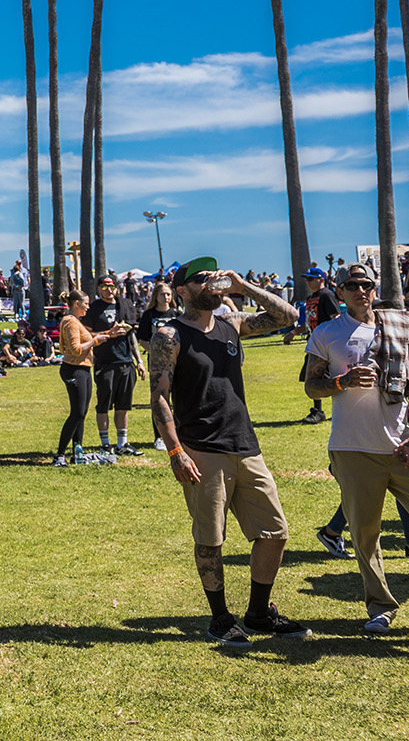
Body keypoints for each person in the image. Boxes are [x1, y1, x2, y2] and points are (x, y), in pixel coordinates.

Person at [147, 257, 308, 648]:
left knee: (275, 532)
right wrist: (175, 452)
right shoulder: (170, 335)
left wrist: (243, 286)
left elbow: (287, 315)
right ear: (183, 291)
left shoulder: (231, 324)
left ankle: (257, 613)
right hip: (202, 449)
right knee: (211, 538)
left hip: (245, 444)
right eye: (201, 278)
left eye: (213, 276)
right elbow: (159, 397)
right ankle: (220, 618)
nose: (211, 282)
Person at [303, 263, 409, 634]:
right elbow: (312, 386)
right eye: (352, 285)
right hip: (352, 448)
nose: (361, 290)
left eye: (367, 284)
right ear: (339, 292)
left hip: (404, 444)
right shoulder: (328, 333)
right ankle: (380, 607)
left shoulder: (401, 327)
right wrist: (342, 381)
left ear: (375, 289)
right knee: (365, 533)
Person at [86, 275, 144, 454]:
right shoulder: (94, 308)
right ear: (98, 289)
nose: (108, 291)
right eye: (104, 287)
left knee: (123, 405)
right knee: (103, 405)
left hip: (126, 362)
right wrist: (108, 333)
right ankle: (105, 444)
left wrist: (139, 361)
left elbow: (131, 335)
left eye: (111, 287)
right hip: (104, 362)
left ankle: (122, 444)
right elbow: (87, 334)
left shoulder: (124, 305)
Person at [54, 291, 103, 467]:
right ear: (76, 303)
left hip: (83, 369)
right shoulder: (70, 321)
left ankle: (77, 452)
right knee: (77, 413)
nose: (88, 307)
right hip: (74, 369)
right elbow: (75, 349)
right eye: (86, 303)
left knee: (81, 413)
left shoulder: (76, 321)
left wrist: (108, 333)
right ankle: (60, 455)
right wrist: (96, 341)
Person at [296, 267, 343, 425]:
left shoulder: (327, 295)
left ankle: (322, 411)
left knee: (329, 377)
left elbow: (335, 317)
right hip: (313, 344)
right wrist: (293, 332)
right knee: (312, 377)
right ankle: (318, 410)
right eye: (307, 279)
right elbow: (308, 321)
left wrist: (334, 341)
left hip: (326, 344)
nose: (308, 282)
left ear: (320, 279)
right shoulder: (311, 298)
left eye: (311, 279)